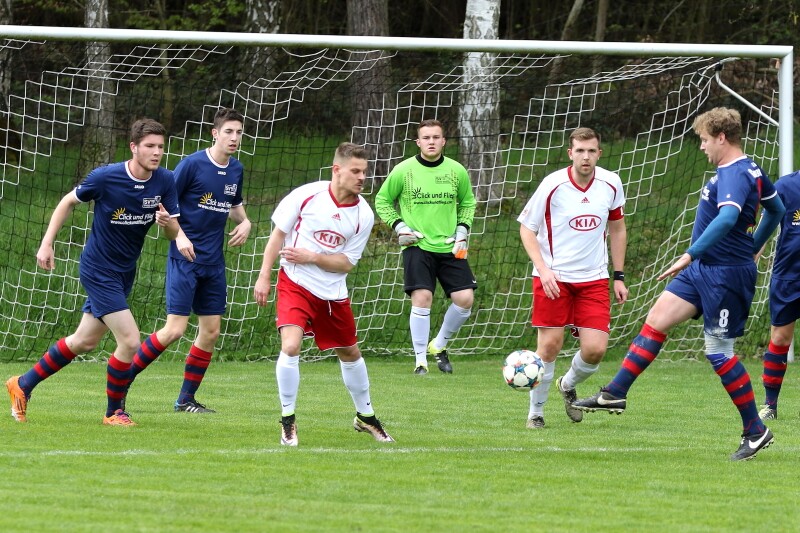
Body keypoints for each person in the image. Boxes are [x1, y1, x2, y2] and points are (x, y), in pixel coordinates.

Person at [573, 107, 785, 461]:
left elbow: (728, 217)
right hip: (704, 269)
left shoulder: (735, 173)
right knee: (657, 320)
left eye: (704, 139)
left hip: (725, 275)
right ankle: (615, 392)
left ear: (721, 138)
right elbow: (775, 210)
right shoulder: (750, 168)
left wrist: (691, 254)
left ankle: (755, 430)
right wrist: (753, 247)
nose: (701, 146)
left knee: (719, 352)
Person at [6, 118, 180, 426]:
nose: (156, 152)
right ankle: (114, 412)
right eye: (149, 146)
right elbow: (67, 202)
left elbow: (172, 232)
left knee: (84, 341)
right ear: (134, 147)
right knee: (130, 340)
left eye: (160, 147)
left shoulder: (165, 181)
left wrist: (167, 225)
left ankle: (22, 384)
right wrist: (47, 243)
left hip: (125, 272)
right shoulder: (106, 177)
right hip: (98, 269)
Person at [254, 142, 394, 446]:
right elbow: (277, 236)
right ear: (337, 170)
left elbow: (346, 264)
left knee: (350, 352)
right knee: (291, 346)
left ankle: (366, 416)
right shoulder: (306, 195)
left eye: (364, 172)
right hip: (294, 282)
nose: (362, 177)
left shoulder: (363, 214)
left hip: (331, 292)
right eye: (355, 171)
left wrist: (312, 257)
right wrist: (264, 276)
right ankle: (288, 420)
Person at [124, 108, 251, 413]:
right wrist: (179, 235)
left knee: (211, 332)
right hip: (185, 259)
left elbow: (234, 207)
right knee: (174, 330)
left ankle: (185, 400)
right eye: (229, 131)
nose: (234, 138)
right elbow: (163, 202)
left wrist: (245, 222)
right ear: (215, 133)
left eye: (239, 132)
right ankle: (121, 379)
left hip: (214, 262)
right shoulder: (192, 165)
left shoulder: (236, 169)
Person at [517, 127, 628, 429]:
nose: (586, 157)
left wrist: (618, 275)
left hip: (593, 278)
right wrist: (544, 269)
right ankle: (536, 414)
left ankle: (567, 384)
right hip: (554, 278)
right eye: (580, 151)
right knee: (549, 347)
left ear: (599, 153)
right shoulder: (552, 185)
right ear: (570, 153)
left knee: (595, 350)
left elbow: (618, 228)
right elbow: (527, 229)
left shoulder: (611, 183)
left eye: (591, 151)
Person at [374, 118, 477, 375]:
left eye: (436, 137)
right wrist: (400, 226)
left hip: (449, 245)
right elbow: (382, 200)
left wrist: (462, 230)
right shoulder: (404, 170)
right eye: (426, 138)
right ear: (418, 142)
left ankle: (438, 344)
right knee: (422, 298)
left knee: (465, 299)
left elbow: (467, 202)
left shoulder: (456, 171)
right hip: (417, 245)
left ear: (444, 141)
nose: (431, 142)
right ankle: (420, 361)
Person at [757, 170, 800, 420]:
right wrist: (750, 256)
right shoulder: (785, 186)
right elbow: (765, 228)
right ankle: (770, 405)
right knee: (781, 339)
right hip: (788, 277)